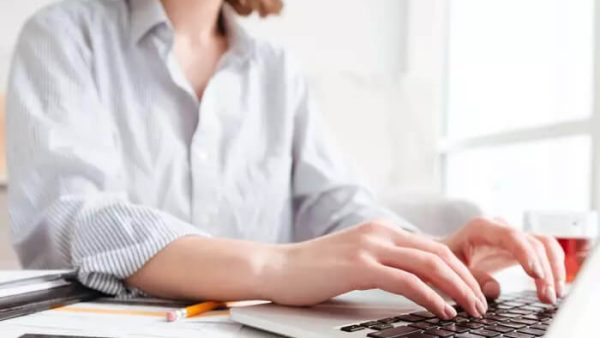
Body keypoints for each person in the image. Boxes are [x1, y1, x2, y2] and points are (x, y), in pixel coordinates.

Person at [6, 0, 565, 320]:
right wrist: (279, 267)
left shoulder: (275, 69)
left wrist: (424, 254)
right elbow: (75, 218)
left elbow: (337, 202)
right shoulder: (61, 36)